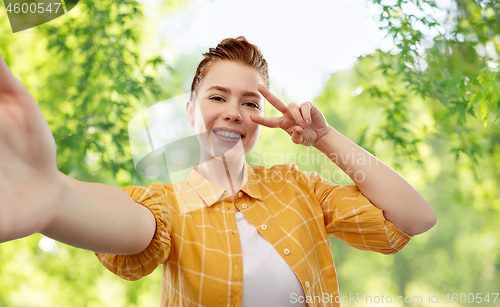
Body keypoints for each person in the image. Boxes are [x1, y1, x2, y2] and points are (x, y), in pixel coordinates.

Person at [0, 36, 437, 307]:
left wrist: (323, 137)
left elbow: (415, 218)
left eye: (250, 103)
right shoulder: (168, 207)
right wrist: (55, 197)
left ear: (263, 119)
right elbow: (127, 223)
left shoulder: (299, 187)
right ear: (191, 110)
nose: (234, 113)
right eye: (217, 98)